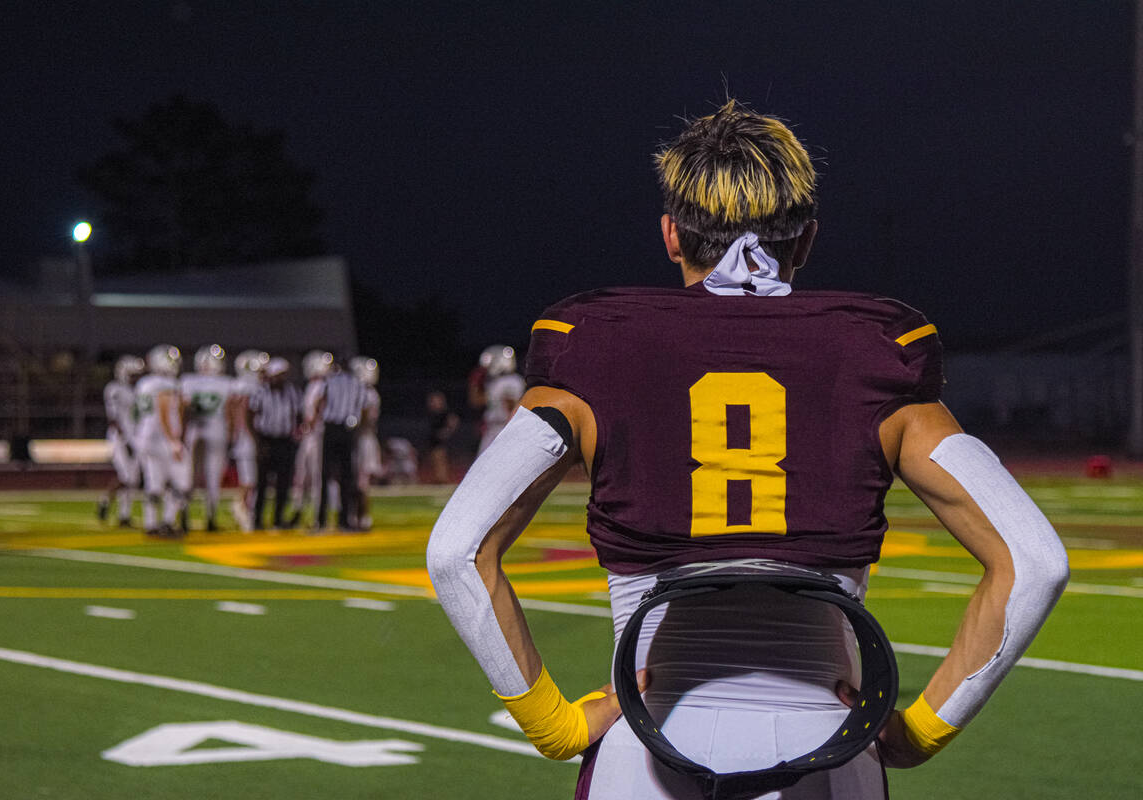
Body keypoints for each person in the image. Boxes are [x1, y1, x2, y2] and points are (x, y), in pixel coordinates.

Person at [427, 100, 1069, 799]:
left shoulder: (595, 354)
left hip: (649, 747)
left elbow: (455, 549)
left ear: (672, 235)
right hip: (826, 749)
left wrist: (552, 724)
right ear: (808, 240)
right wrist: (918, 730)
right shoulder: (877, 358)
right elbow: (1034, 563)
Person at [134, 344, 190, 538]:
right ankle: (167, 522)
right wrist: (174, 441)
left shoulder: (143, 383)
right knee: (180, 482)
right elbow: (164, 412)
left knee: (154, 484)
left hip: (145, 437)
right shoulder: (165, 384)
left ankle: (151, 524)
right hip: (161, 438)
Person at [181, 344, 234, 532]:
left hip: (194, 430)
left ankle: (183, 513)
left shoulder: (188, 381)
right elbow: (230, 412)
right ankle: (210, 517)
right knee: (213, 476)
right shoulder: (227, 383)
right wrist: (232, 434)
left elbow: (184, 408)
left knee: (189, 475)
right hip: (217, 430)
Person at [249, 357, 301, 530]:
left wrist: (296, 434)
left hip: (285, 441)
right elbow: (252, 415)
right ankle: (257, 519)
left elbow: (297, 414)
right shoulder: (261, 392)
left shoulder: (292, 392)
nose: (281, 378)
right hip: (267, 440)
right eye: (278, 375)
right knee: (262, 482)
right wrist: (257, 442)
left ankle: (278, 518)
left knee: (283, 483)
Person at [312, 362, 365, 531]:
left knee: (325, 475)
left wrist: (317, 422)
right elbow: (362, 408)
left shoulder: (329, 381)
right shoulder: (357, 383)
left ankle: (321, 520)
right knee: (347, 477)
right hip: (347, 430)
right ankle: (344, 520)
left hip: (331, 428)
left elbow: (319, 402)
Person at [97, 354, 144, 527]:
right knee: (126, 477)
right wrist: (125, 440)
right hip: (120, 438)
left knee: (134, 478)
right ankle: (105, 500)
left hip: (136, 437)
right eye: (132, 374)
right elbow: (113, 418)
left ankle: (124, 515)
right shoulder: (114, 389)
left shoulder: (138, 390)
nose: (135, 378)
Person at [290, 350, 334, 525]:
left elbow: (319, 408)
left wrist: (308, 425)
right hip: (312, 435)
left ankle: (318, 514)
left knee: (316, 477)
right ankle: (299, 510)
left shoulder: (323, 385)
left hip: (317, 436)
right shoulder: (314, 385)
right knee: (302, 476)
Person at [230, 349, 268, 531]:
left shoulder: (239, 386)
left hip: (244, 438)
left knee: (251, 478)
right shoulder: (247, 387)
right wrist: (252, 437)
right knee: (250, 479)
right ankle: (242, 507)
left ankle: (246, 508)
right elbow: (244, 415)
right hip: (247, 439)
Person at [350, 355, 382, 530]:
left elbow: (362, 419)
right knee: (361, 482)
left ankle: (361, 516)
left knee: (360, 482)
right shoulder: (371, 393)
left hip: (363, 440)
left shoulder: (365, 393)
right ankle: (360, 516)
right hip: (367, 439)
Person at [475, 344, 525, 453]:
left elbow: (512, 408)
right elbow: (476, 402)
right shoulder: (496, 382)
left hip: (503, 428)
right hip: (493, 428)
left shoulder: (511, 381)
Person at [425, 390, 458, 483]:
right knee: (435, 460)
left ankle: (443, 479)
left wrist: (447, 432)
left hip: (441, 441)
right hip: (433, 440)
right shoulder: (433, 414)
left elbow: (454, 421)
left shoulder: (445, 413)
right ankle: (438, 479)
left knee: (440, 460)